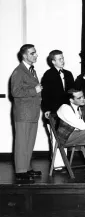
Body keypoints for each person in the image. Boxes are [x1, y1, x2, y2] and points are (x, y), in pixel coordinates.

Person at [10, 44, 42, 181]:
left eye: (35, 53)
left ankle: (26, 168)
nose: (36, 55)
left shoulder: (30, 70)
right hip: (23, 113)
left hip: (32, 112)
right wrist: (34, 90)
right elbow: (15, 92)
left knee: (29, 142)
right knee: (22, 142)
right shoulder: (19, 71)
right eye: (32, 53)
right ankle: (20, 171)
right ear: (24, 55)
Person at [41, 50, 75, 171]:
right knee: (55, 138)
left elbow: (73, 92)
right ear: (53, 61)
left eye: (63, 58)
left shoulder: (69, 74)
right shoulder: (48, 75)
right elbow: (45, 95)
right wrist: (46, 109)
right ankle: (57, 164)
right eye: (59, 59)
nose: (62, 61)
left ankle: (65, 163)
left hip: (66, 112)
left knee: (64, 136)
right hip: (54, 112)